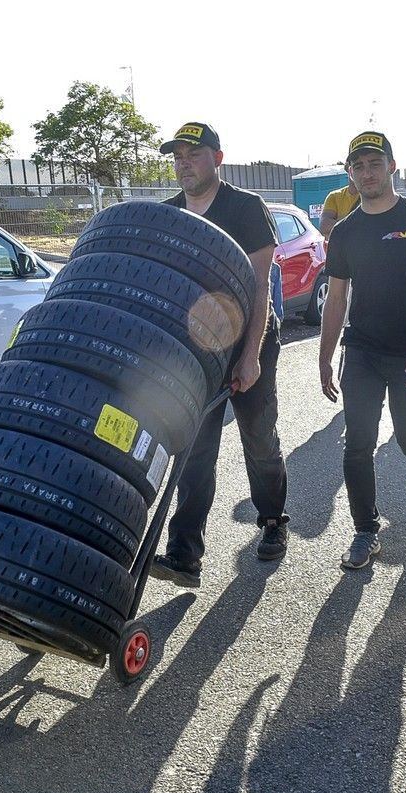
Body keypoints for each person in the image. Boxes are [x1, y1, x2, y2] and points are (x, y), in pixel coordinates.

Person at [150, 121, 289, 589]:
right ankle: (185, 554)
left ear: (218, 157)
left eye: (193, 152)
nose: (183, 161)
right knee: (194, 451)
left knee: (258, 437)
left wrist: (249, 357)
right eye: (177, 155)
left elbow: (260, 289)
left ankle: (272, 520)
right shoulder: (169, 214)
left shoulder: (246, 208)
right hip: (196, 352)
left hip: (249, 341)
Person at [318, 131, 406, 569]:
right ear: (351, 175)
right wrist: (324, 356)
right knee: (357, 444)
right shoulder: (346, 232)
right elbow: (336, 299)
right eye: (359, 166)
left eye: (375, 163)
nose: (367, 172)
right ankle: (365, 531)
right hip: (363, 351)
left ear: (391, 166)